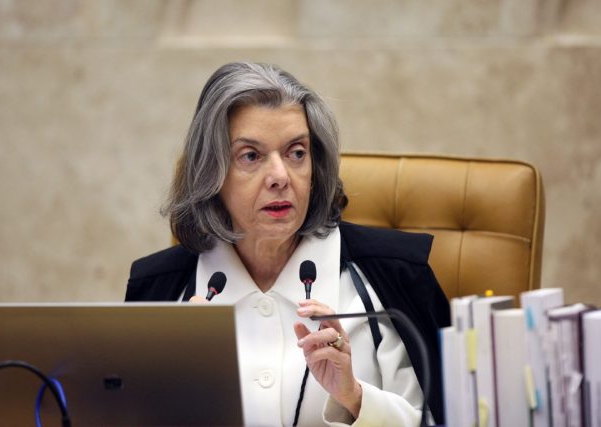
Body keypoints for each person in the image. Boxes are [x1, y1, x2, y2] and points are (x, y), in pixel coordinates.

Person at [125, 62, 450, 427]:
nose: (280, 177)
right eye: (251, 156)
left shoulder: (394, 275)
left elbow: (449, 419)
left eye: (296, 153)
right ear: (211, 173)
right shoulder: (159, 291)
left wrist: (355, 398)